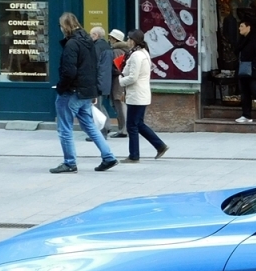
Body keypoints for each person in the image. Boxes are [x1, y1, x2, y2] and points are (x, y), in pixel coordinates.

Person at [51, 13, 118, 174]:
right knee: (89, 125)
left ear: (64, 26)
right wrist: (93, 91)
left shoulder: (72, 44)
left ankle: (69, 162)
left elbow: (69, 71)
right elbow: (92, 68)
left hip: (72, 91)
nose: (60, 29)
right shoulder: (88, 41)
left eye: (61, 26)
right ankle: (108, 156)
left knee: (64, 127)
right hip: (86, 91)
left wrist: (61, 87)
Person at [118, 29, 169, 162]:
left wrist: (120, 80)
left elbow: (133, 77)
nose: (127, 41)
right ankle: (160, 145)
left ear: (134, 41)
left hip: (136, 95)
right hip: (142, 94)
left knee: (132, 126)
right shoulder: (143, 53)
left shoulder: (136, 56)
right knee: (138, 123)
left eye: (129, 39)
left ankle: (134, 155)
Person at [106, 29, 129, 139]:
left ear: (115, 39)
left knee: (119, 104)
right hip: (121, 80)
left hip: (117, 81)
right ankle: (124, 128)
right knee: (121, 103)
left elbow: (118, 68)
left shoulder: (116, 51)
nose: (109, 39)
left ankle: (123, 129)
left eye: (110, 38)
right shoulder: (124, 49)